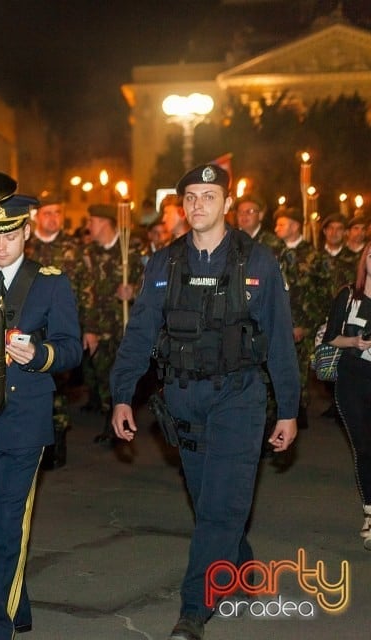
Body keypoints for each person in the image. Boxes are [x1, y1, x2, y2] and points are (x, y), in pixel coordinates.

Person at [110, 163, 298, 640]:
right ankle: (240, 565)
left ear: (227, 204)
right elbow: (139, 334)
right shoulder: (164, 262)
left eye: (208, 196)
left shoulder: (257, 261)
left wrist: (290, 410)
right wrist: (121, 394)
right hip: (183, 399)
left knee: (217, 508)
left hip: (240, 396)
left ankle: (194, 608)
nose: (198, 205)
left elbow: (278, 340)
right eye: (190, 197)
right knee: (209, 499)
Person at [0, 195, 82, 639]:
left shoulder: (49, 282)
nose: (1, 244)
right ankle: (19, 605)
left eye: (10, 235)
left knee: (11, 519)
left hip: (25, 416)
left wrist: (38, 354)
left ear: (26, 234)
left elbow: (71, 348)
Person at [24, 196, 84, 469]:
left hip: (61, 327)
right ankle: (37, 441)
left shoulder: (72, 246)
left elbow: (85, 287)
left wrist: (86, 327)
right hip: (30, 329)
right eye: (48, 213)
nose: (53, 218)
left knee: (59, 387)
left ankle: (57, 443)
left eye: (58, 212)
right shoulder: (27, 246)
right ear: (37, 217)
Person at [321, 241, 371, 550]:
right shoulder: (349, 295)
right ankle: (370, 512)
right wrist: (353, 342)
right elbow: (330, 337)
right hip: (353, 380)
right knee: (365, 447)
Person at [79, 204, 142, 442]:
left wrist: (133, 291)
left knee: (124, 373)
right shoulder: (89, 254)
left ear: (104, 222)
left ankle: (122, 418)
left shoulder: (131, 249)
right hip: (100, 327)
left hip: (126, 326)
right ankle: (111, 419)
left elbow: (153, 283)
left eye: (91, 221)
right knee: (104, 374)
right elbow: (87, 294)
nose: (88, 227)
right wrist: (89, 328)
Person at [275, 206, 328, 427]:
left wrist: (305, 325)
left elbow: (323, 294)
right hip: (276, 322)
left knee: (298, 370)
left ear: (295, 226)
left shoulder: (314, 256)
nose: (277, 228)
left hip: (302, 325)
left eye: (282, 224)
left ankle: (297, 411)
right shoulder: (271, 252)